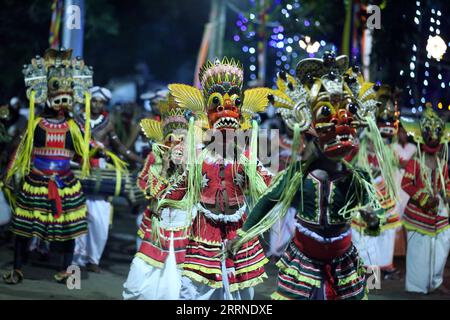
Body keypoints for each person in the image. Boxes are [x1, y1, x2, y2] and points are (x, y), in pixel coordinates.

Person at [233, 52, 386, 300]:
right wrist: (242, 235)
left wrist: (371, 219)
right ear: (311, 134)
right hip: (303, 260)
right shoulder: (296, 175)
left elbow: (376, 214)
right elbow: (268, 201)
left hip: (343, 261)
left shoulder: (356, 178)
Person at [166, 57, 273, 300]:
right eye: (217, 107)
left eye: (233, 106)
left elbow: (269, 184)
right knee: (196, 287)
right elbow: (180, 185)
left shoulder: (246, 158)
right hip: (205, 229)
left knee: (241, 289)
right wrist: (162, 202)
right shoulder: (198, 158)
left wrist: (290, 183)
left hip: (238, 229)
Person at [2, 48, 93, 284]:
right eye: (57, 91)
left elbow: (86, 154)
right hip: (36, 183)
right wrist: (9, 174)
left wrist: (92, 145)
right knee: (24, 229)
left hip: (65, 184)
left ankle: (66, 269)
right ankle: (17, 268)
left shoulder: (74, 126)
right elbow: (20, 150)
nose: (62, 98)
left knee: (68, 231)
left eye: (66, 92)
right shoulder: (36, 124)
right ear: (45, 93)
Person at [123, 94, 192, 299]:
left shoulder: (193, 159)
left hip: (183, 219)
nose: (177, 142)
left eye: (182, 137)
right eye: (173, 137)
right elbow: (145, 183)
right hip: (158, 218)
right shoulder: (155, 155)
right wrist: (163, 169)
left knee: (176, 266)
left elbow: (197, 188)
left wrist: (184, 166)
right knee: (144, 262)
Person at [72, 86, 143, 273]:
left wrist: (141, 160)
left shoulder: (108, 123)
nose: (97, 105)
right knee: (77, 217)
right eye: (94, 101)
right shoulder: (76, 120)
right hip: (77, 170)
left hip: (101, 175)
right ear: (89, 101)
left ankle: (93, 259)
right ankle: (76, 259)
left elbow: (119, 147)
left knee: (100, 221)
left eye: (101, 102)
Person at [352, 85, 402, 279]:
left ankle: (383, 269)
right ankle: (368, 278)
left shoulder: (389, 150)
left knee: (385, 237)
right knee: (365, 240)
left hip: (385, 197)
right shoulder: (360, 147)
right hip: (365, 198)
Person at [400, 106, 450, 295]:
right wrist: (423, 197)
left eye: (437, 132)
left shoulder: (442, 163)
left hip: (438, 214)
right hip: (418, 215)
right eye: (429, 132)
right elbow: (406, 183)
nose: (433, 137)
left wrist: (447, 196)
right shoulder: (416, 160)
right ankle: (418, 288)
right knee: (419, 254)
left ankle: (435, 282)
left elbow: (446, 184)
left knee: (441, 247)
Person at [391, 124, 416, 257]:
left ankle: (409, 252)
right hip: (396, 183)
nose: (403, 134)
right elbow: (401, 163)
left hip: (409, 185)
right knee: (396, 215)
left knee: (408, 217)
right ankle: (396, 253)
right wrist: (409, 163)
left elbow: (413, 165)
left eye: (405, 132)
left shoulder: (414, 147)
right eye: (400, 132)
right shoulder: (392, 147)